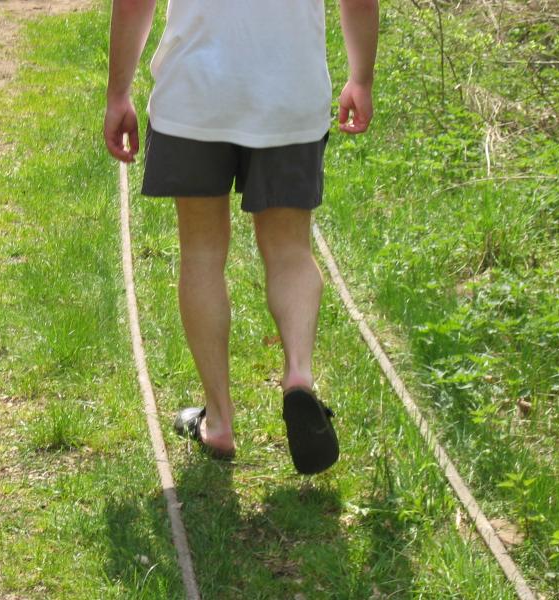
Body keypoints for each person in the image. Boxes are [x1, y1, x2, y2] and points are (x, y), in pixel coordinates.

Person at [104, 0, 379, 474]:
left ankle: (219, 421)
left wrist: (118, 94)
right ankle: (299, 375)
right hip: (290, 94)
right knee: (291, 251)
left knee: (202, 254)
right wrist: (362, 79)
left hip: (195, 95)